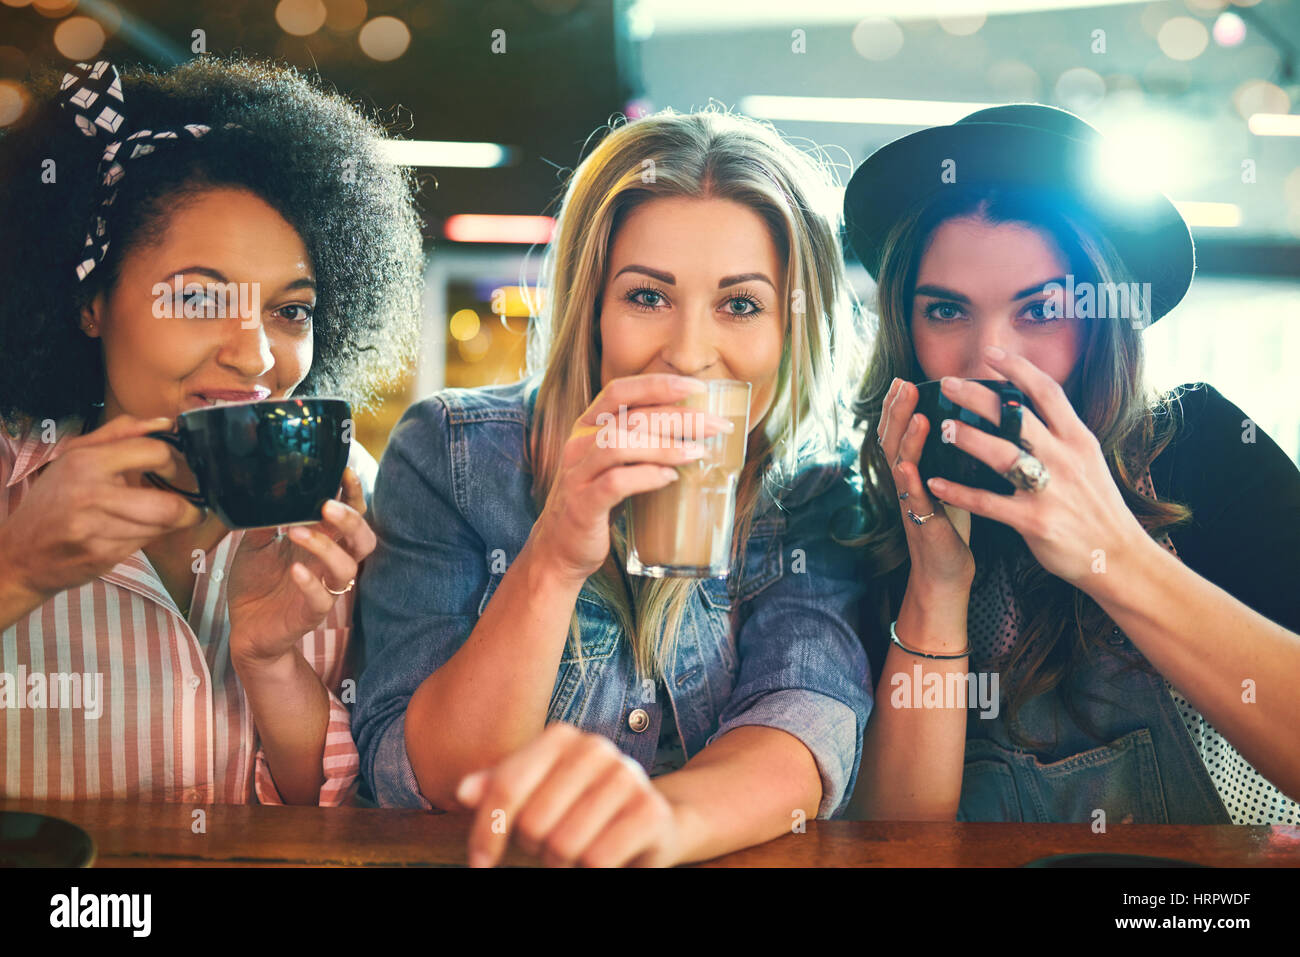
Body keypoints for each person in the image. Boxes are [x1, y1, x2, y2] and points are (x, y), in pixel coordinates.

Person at [353, 108, 872, 866]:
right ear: (590, 307)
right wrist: (555, 554)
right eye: (648, 297)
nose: (690, 354)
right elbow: (431, 777)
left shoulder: (814, 491)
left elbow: (801, 730)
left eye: (740, 305)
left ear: (790, 330)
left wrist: (652, 824)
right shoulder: (453, 454)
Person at [841, 103, 1300, 825]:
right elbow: (898, 843)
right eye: (947, 312)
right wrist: (936, 581)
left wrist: (1111, 553)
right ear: (904, 325)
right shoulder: (871, 520)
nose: (990, 360)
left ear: (1101, 328)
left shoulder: (1198, 447)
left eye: (1040, 310)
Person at [0, 57, 424, 804]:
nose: (257, 355)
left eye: (290, 310)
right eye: (198, 298)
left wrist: (272, 662)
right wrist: (17, 574)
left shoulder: (347, 495)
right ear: (91, 302)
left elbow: (348, 820)